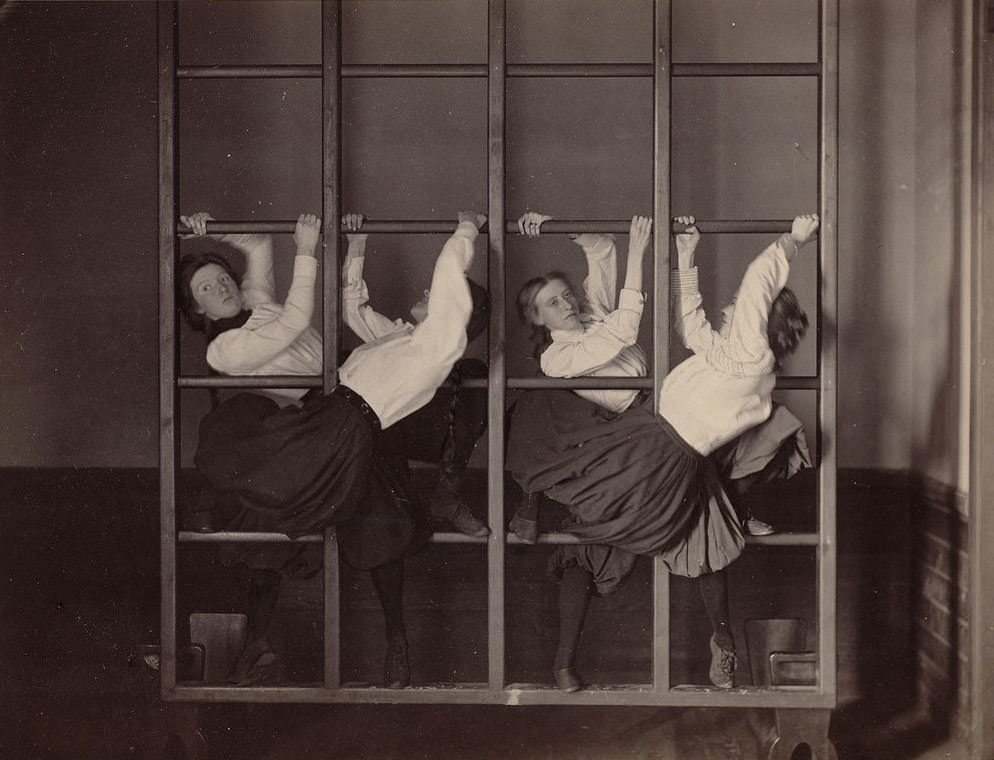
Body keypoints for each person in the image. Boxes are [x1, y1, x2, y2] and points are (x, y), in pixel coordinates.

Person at [507, 210, 818, 691]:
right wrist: (686, 254)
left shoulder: (743, 352)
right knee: (595, 539)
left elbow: (607, 260)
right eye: (551, 302)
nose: (567, 303)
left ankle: (723, 633)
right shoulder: (557, 354)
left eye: (566, 294)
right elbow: (685, 326)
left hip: (660, 435)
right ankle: (563, 659)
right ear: (536, 318)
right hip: (629, 435)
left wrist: (792, 241)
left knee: (704, 533)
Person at [177, 209, 488, 688]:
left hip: (347, 406)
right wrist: (307, 249)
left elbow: (258, 246)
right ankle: (256, 636)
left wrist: (207, 229)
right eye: (205, 289)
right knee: (261, 500)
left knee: (383, 521)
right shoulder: (223, 350)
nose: (219, 288)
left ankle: (397, 642)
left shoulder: (259, 304)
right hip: (308, 426)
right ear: (197, 311)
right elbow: (301, 318)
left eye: (221, 276)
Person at [339, 212, 490, 538]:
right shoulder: (400, 336)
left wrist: (468, 226)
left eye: (438, 294)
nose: (427, 291)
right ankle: (408, 507)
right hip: (377, 432)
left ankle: (446, 494)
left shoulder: (438, 348)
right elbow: (353, 310)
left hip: (421, 433)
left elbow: (449, 274)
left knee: (475, 374)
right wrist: (357, 242)